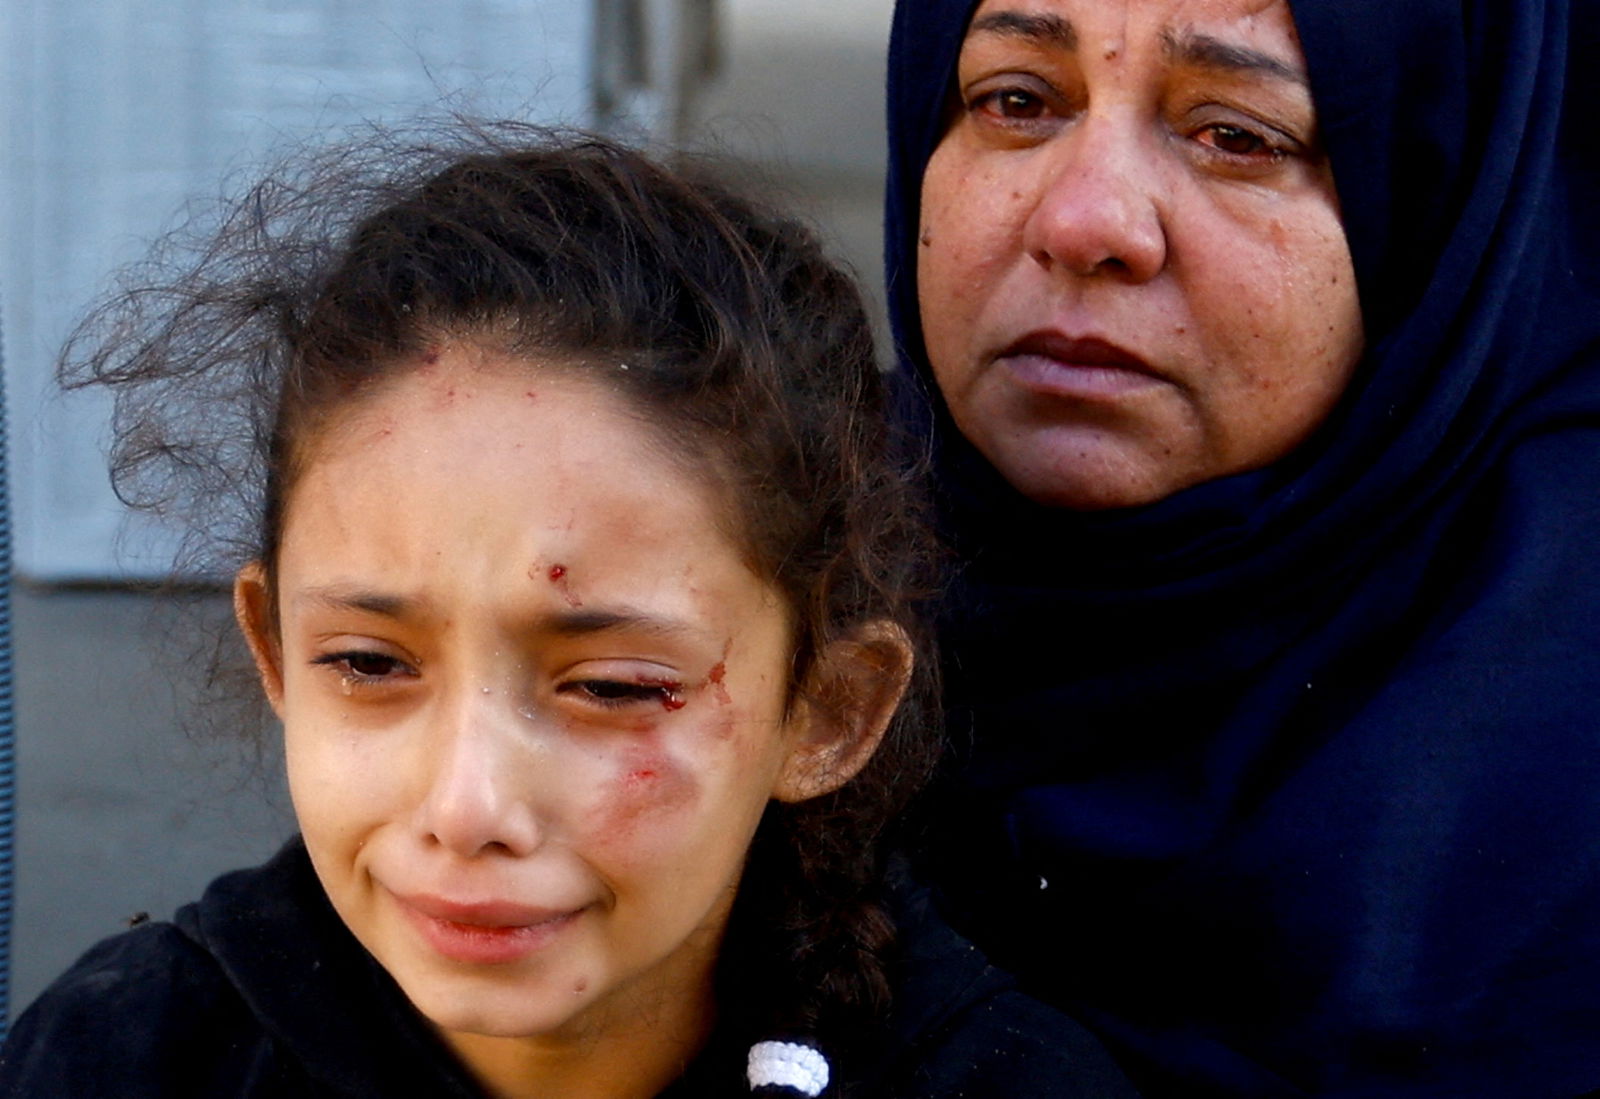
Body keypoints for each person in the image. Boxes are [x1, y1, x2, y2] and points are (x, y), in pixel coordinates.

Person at [0, 128, 1140, 1098]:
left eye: (611, 687)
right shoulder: (124, 1057)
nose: (468, 806)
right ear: (275, 653)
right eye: (368, 663)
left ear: (827, 711)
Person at [883, 0, 1600, 1096]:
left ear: (1436, 202)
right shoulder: (727, 576)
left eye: (1236, 133)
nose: (1085, 222)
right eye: (1015, 101)